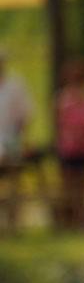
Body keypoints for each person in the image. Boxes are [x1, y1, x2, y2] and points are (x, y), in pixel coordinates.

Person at [54, 58, 84, 230]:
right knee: (67, 187)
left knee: (83, 188)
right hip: (68, 148)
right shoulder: (63, 100)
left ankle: (82, 219)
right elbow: (59, 125)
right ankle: (67, 219)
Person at [0, 47, 34, 232]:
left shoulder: (15, 85)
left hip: (10, 137)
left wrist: (18, 137)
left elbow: (25, 116)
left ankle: (12, 216)